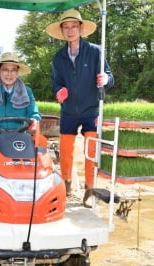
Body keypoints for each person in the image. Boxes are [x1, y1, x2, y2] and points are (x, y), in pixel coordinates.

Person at [45, 9, 114, 208]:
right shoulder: (59, 57)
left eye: (74, 26)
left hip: (91, 110)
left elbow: (110, 76)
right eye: (66, 27)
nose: (70, 30)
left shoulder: (95, 51)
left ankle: (90, 190)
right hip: (68, 112)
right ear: (62, 31)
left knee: (91, 151)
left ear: (81, 28)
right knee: (65, 150)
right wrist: (59, 91)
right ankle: (66, 185)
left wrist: (106, 79)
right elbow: (56, 82)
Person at [0, 52, 48, 167]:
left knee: (41, 141)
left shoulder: (27, 92)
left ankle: (37, 178)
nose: (9, 74)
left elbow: (34, 113)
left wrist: (34, 120)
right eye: (5, 70)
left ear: (17, 72)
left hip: (20, 137)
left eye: (13, 70)